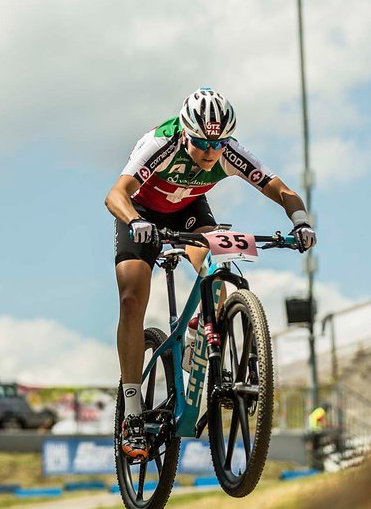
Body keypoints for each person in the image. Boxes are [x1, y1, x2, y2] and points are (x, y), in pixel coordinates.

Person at [105, 87, 317, 459]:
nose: (210, 152)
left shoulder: (229, 151)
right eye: (202, 142)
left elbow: (283, 190)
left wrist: (300, 222)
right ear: (186, 133)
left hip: (188, 209)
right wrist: (136, 221)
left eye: (218, 144)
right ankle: (133, 410)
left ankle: (204, 331)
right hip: (139, 213)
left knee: (216, 263)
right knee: (131, 299)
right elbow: (116, 195)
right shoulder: (159, 142)